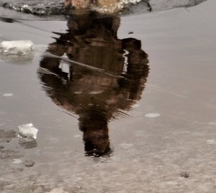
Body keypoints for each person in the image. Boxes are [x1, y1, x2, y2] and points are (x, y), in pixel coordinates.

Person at [38, 14, 149, 156]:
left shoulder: (67, 101)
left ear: (85, 136)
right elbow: (139, 72)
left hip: (79, 29)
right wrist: (134, 49)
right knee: (108, 4)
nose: (101, 131)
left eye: (97, 136)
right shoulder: (123, 103)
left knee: (81, 7)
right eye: (105, 136)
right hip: (110, 27)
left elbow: (47, 70)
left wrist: (60, 45)